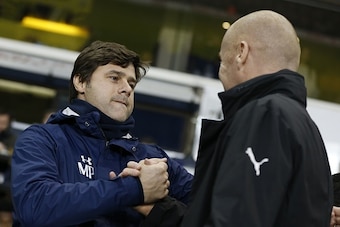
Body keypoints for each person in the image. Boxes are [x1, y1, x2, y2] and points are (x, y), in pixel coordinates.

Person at [135, 10, 334, 226]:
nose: (221, 72)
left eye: (222, 60)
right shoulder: (306, 128)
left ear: (242, 52)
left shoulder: (265, 115)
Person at [11, 40, 193, 226]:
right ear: (81, 82)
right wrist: (135, 189)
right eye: (114, 78)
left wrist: (159, 209)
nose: (127, 88)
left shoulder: (154, 162)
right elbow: (36, 208)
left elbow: (215, 215)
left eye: (132, 83)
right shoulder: (42, 139)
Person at [0, 108, 17, 227]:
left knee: (5, 219)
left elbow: (14, 161)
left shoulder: (13, 139)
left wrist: (4, 151)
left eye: (3, 123)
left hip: (4, 187)